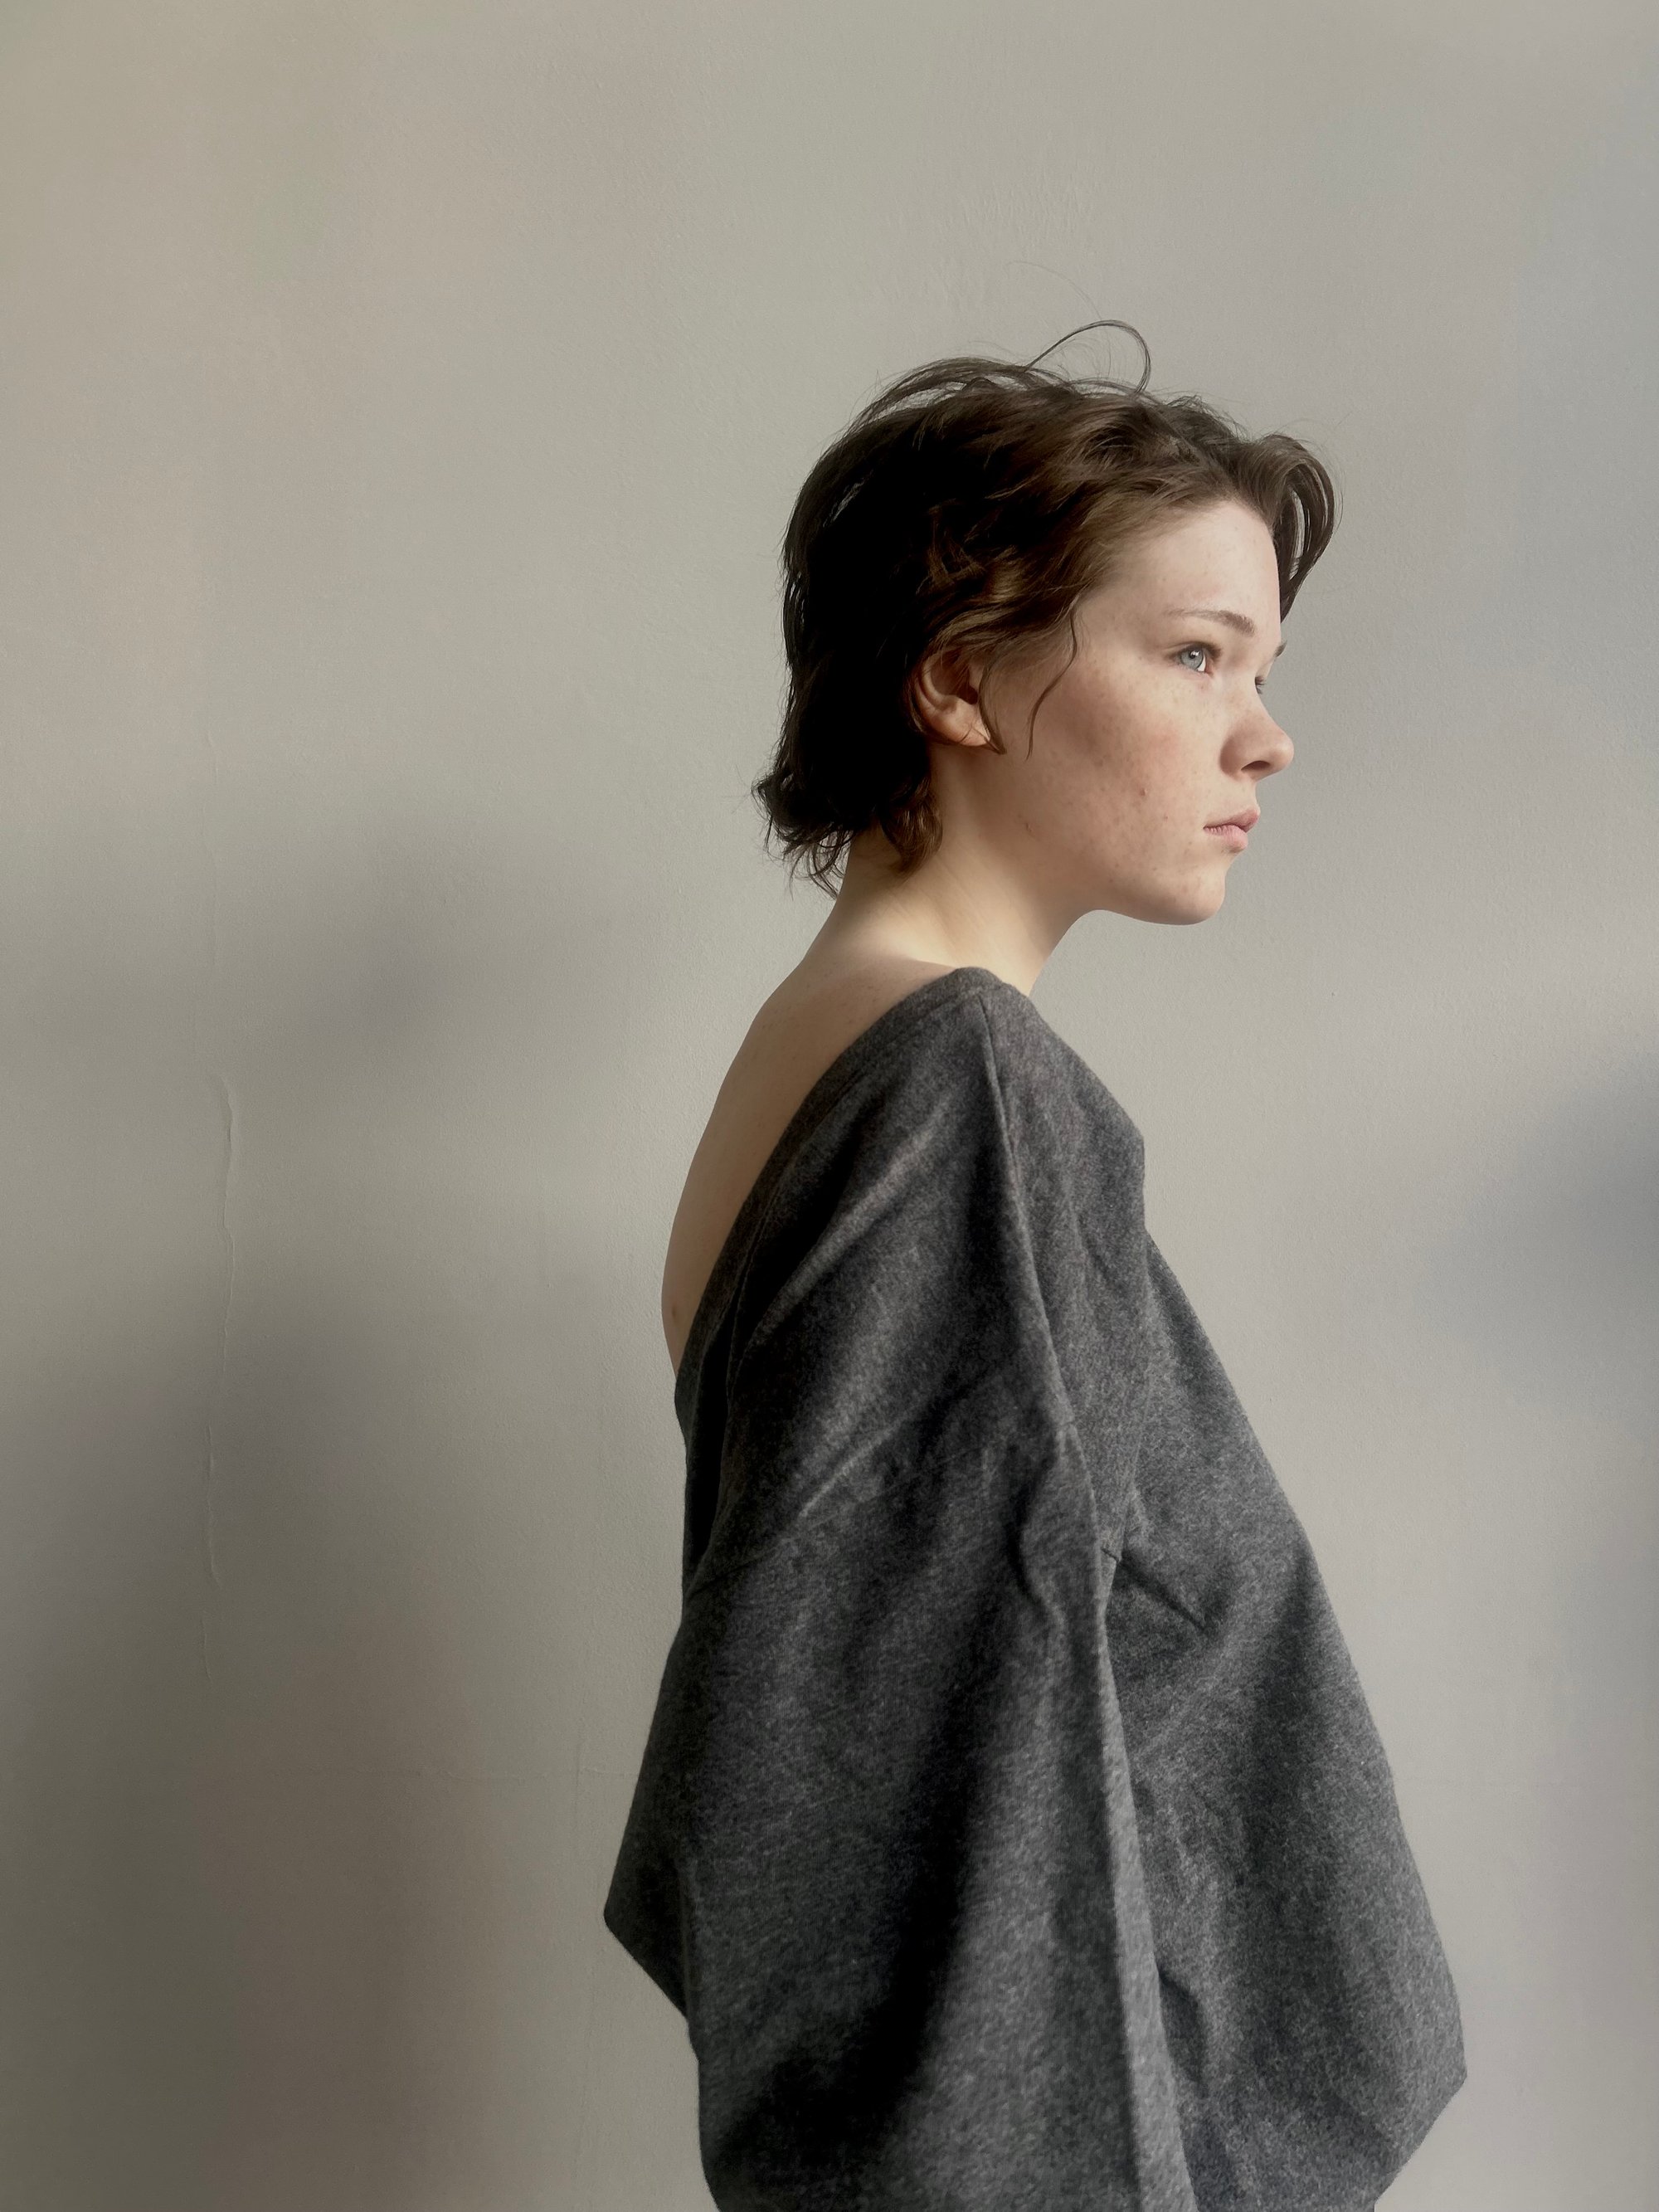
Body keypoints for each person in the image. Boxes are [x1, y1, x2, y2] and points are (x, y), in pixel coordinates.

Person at [607, 325, 1467, 2211]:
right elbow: (989, 1818)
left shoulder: (823, 1052)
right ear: (959, 678)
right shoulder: (959, 1086)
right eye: (1196, 655)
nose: (1264, 733)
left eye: (1261, 668)